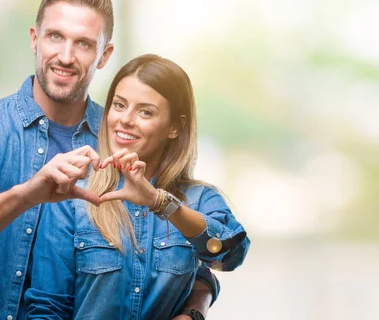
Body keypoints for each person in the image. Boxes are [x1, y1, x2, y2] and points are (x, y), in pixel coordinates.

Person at [0, 0, 220, 319]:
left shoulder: (124, 140)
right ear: (35, 39)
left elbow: (187, 254)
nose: (65, 56)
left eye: (83, 44)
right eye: (55, 37)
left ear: (104, 55)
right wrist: (26, 195)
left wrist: (193, 312)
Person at [24, 54, 250, 320]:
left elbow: (229, 256)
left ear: (174, 128)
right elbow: (47, 309)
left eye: (145, 111)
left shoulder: (199, 199)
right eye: (119, 105)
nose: (126, 120)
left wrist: (158, 201)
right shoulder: (73, 198)